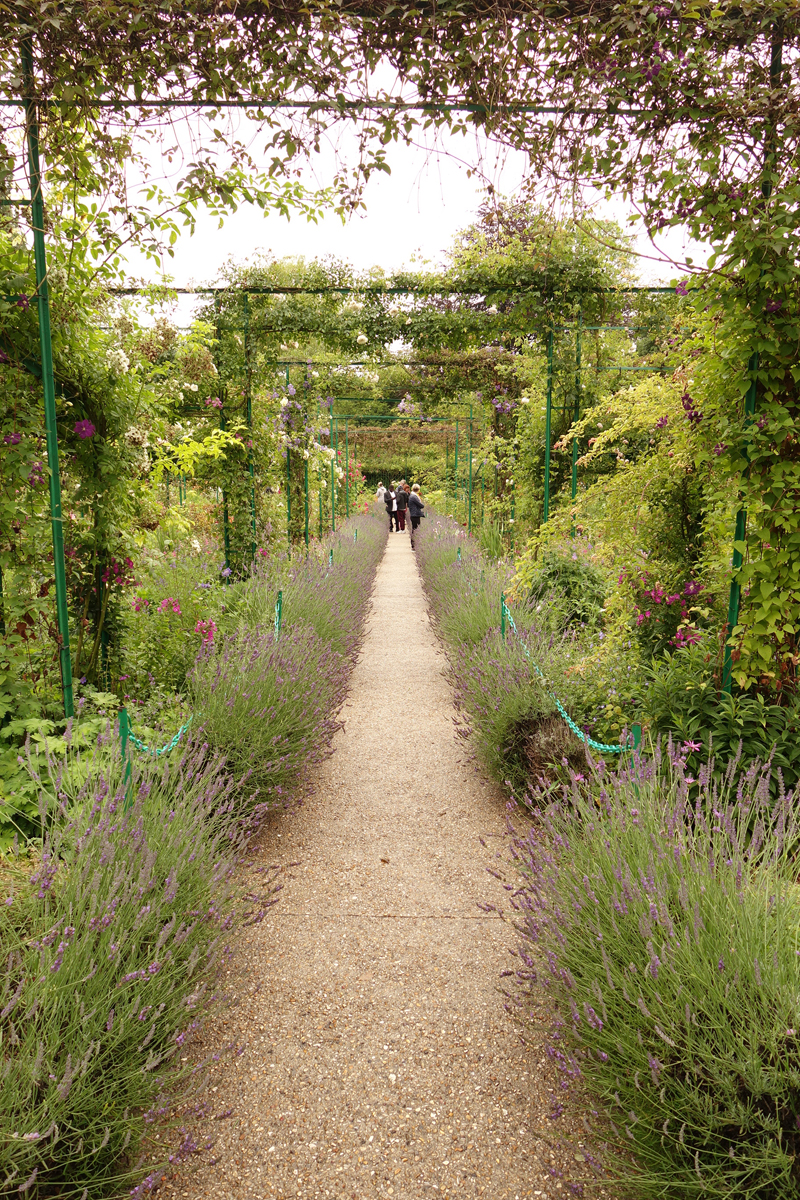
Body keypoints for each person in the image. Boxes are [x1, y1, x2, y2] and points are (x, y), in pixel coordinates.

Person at [408, 483, 424, 549]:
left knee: (415, 529)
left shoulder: (412, 496)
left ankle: (414, 544)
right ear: (418, 489)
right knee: (415, 529)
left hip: (414, 514)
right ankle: (414, 544)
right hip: (415, 515)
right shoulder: (414, 496)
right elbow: (421, 505)